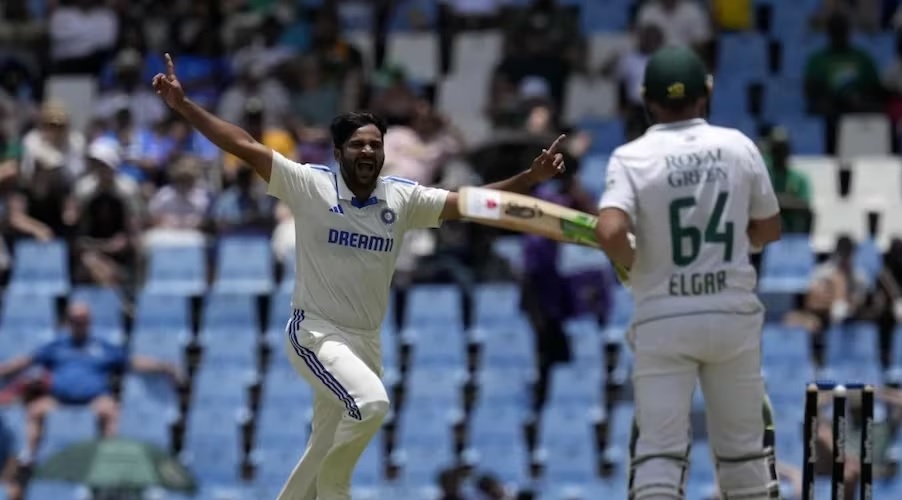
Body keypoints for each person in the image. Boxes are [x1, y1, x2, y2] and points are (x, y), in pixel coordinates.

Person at [151, 53, 565, 500]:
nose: (367, 151)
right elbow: (244, 145)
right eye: (357, 145)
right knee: (371, 403)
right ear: (338, 153)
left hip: (365, 342)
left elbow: (471, 203)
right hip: (316, 333)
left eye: (374, 145)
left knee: (324, 451)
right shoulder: (311, 185)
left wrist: (530, 177)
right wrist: (185, 106)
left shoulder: (402, 198)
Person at [595, 46, 783, 500]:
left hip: (663, 318)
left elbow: (610, 230)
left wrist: (634, 263)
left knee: (659, 453)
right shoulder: (737, 146)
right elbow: (770, 228)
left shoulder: (631, 157)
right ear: (707, 93)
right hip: (731, 314)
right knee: (744, 453)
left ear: (647, 100)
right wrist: (742, 241)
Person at [0, 303, 181, 466]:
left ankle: (109, 457)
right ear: (68, 322)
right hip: (59, 400)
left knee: (111, 411)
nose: (79, 324)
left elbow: (132, 362)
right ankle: (30, 454)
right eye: (74, 320)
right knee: (34, 411)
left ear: (89, 322)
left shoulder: (102, 347)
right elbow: (26, 361)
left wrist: (163, 366)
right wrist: (3, 370)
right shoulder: (56, 346)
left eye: (82, 320)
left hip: (94, 400)